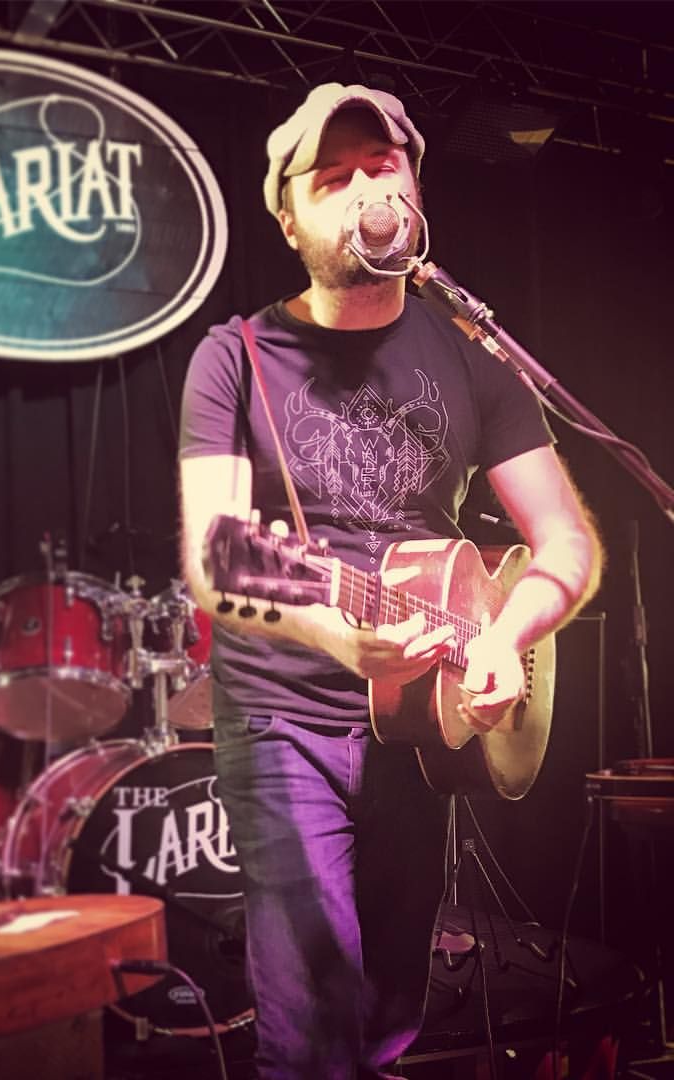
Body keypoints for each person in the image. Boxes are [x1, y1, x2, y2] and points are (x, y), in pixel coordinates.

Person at [178, 82, 602, 1079]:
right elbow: (219, 555)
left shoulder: (476, 359)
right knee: (312, 1026)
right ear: (290, 219)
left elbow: (566, 543)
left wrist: (505, 636)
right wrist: (333, 633)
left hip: (419, 726)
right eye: (334, 178)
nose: (368, 189)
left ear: (415, 193)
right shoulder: (234, 358)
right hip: (285, 713)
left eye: (384, 167)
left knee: (387, 1014)